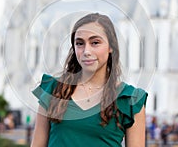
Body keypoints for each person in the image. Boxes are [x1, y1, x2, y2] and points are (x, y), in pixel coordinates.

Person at [31, 13, 148, 147]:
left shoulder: (130, 99)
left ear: (111, 47)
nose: (86, 51)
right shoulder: (52, 89)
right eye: (80, 43)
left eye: (95, 43)